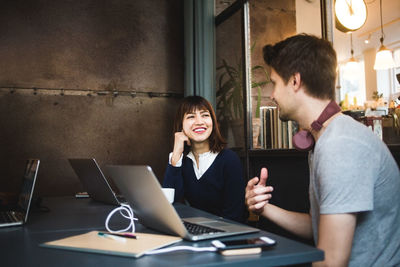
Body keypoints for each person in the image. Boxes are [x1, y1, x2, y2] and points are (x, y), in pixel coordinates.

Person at [245, 34, 400, 266]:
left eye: (275, 83)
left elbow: (331, 262)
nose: (272, 94)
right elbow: (318, 225)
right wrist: (264, 208)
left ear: (295, 81)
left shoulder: (341, 145)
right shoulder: (326, 138)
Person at [163, 95, 246, 223]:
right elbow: (168, 203)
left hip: (227, 236)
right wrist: (176, 155)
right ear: (181, 125)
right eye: (191, 117)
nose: (199, 122)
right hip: (196, 231)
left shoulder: (229, 160)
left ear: (212, 121)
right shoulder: (183, 161)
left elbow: (234, 216)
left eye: (205, 115)